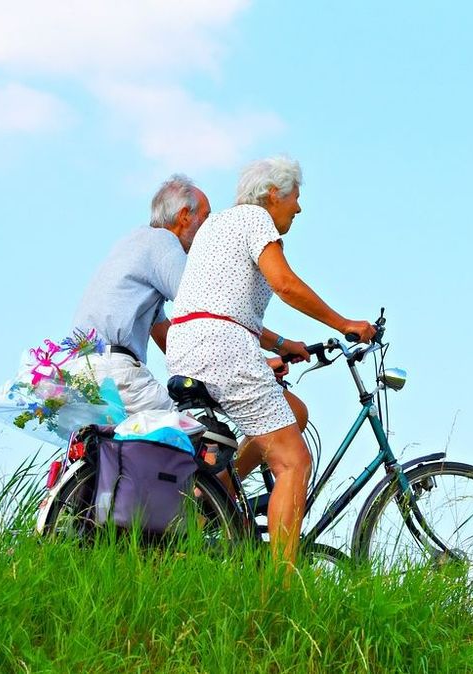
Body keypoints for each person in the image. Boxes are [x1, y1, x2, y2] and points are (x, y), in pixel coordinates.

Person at [166, 156, 376, 562]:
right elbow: (284, 283)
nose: (298, 208)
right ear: (274, 194)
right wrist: (343, 323)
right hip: (222, 348)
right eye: (296, 197)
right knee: (294, 461)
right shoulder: (255, 219)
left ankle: (218, 499)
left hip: (189, 345)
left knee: (293, 411)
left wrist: (281, 344)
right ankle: (280, 588)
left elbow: (219, 303)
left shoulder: (218, 225)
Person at [68, 174, 211, 413]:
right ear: (185, 215)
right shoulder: (163, 242)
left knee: (118, 447)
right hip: (114, 372)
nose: (209, 227)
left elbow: (165, 335)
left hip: (79, 372)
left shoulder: (133, 242)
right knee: (191, 436)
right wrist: (257, 359)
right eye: (206, 217)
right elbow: (205, 305)